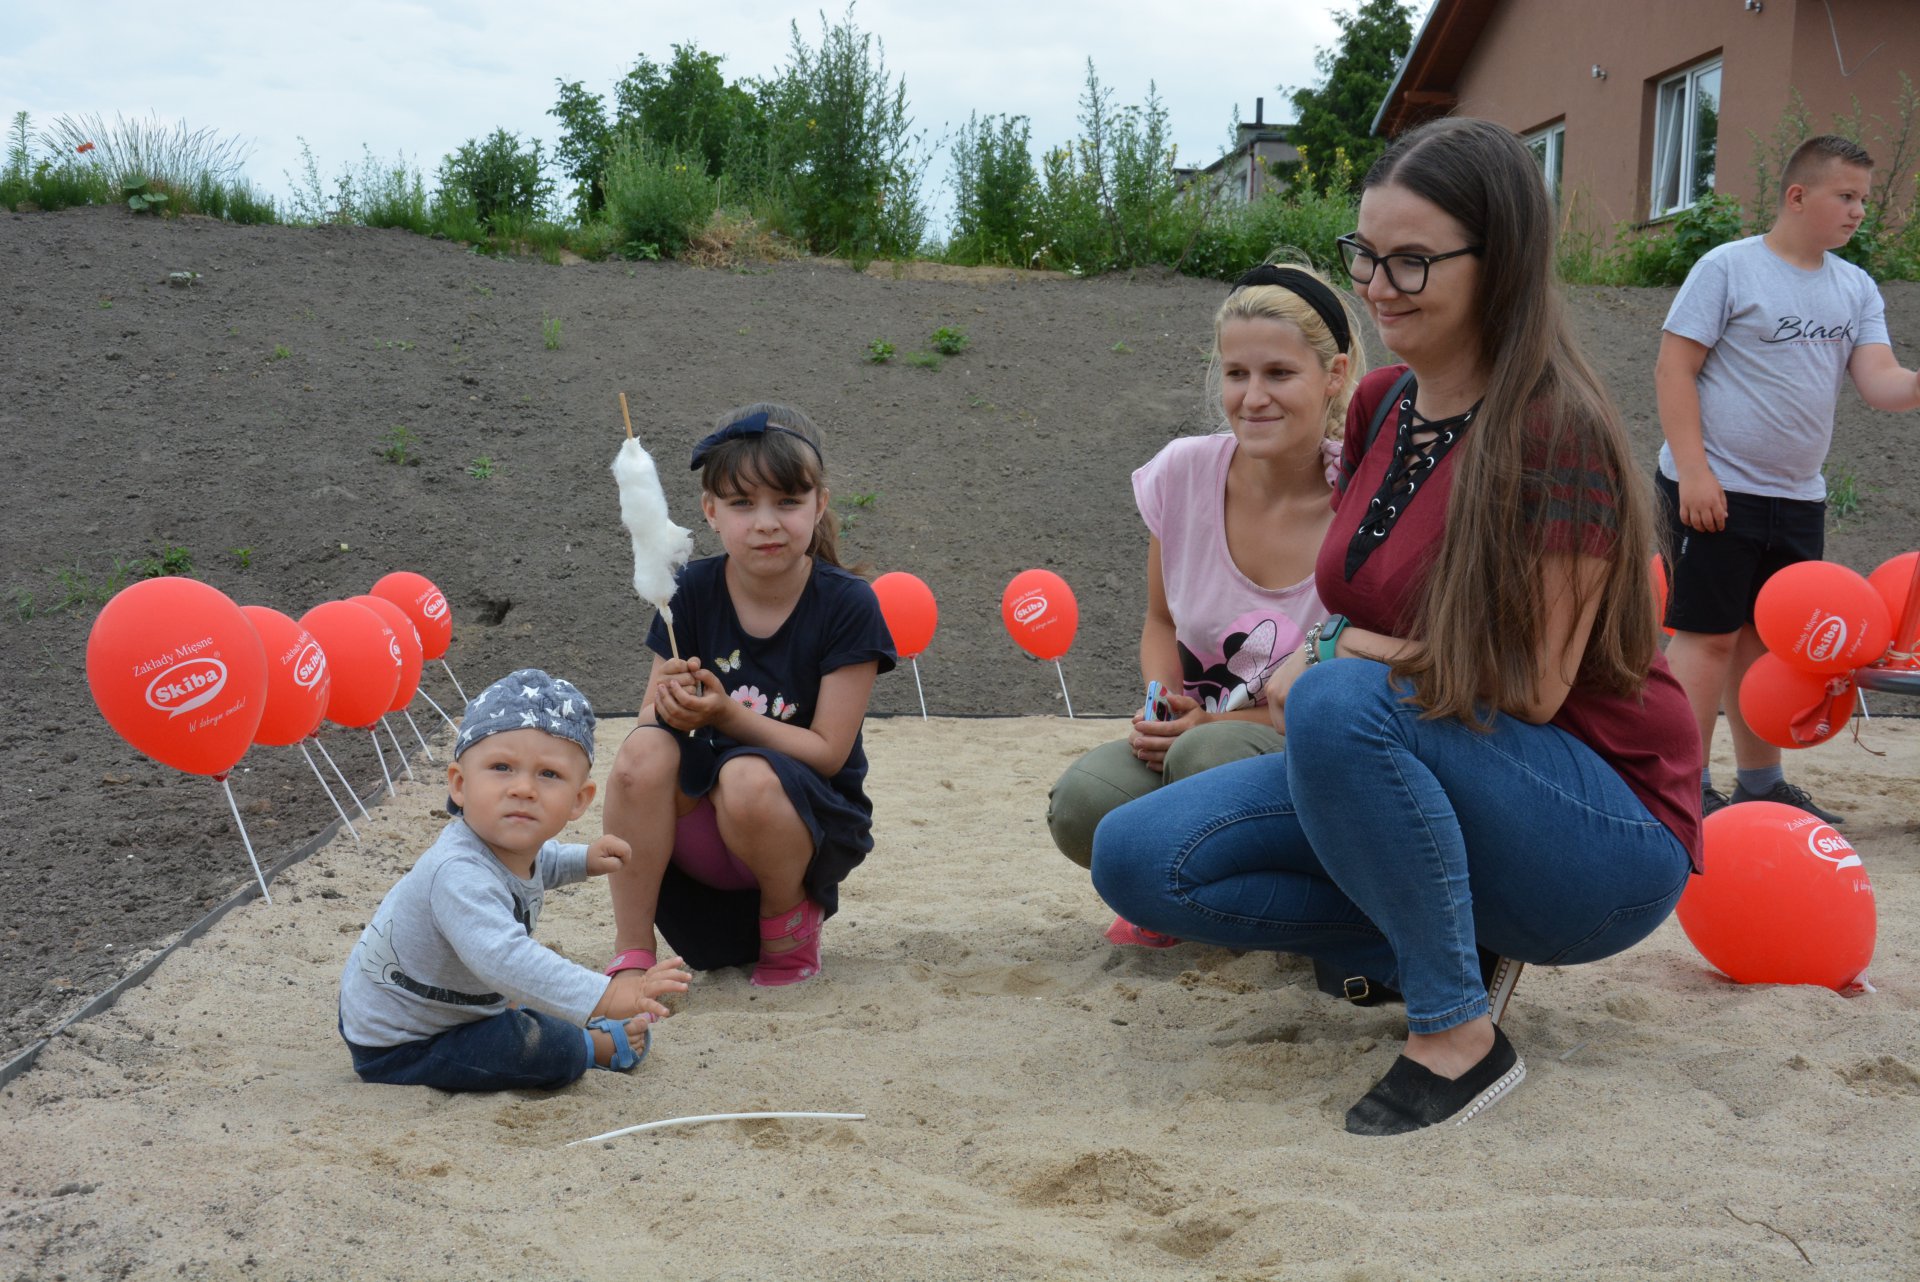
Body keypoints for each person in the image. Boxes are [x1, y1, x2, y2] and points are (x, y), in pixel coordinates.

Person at [1090, 117, 1701, 1135]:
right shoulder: (1380, 404)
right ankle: (1439, 938)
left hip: (1598, 827)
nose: (1378, 285)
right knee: (1136, 857)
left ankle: (1457, 1032)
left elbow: (1534, 686)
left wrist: (1342, 652)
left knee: (1337, 697)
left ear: (1500, 261)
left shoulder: (1558, 432)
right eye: (1365, 254)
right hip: (1436, 768)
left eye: (1411, 260)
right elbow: (1355, 605)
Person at [1046, 262, 1360, 948]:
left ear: (1333, 375)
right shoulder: (1183, 473)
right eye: (1236, 373)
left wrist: (1206, 726)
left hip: (1302, 751)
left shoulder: (1364, 504)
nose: (1252, 397)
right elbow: (1161, 620)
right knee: (1082, 805)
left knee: (1208, 757)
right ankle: (1185, 892)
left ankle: (1300, 910)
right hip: (1195, 735)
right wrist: (1163, 705)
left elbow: (1346, 689)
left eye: (1279, 373)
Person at [1654, 134, 1920, 824]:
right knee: (1708, 636)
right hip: (1713, 487)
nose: (1859, 211)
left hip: (1797, 496)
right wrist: (1695, 474)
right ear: (1798, 196)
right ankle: (1681, 788)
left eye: (1864, 199)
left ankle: (1760, 784)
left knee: (1765, 641)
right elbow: (1674, 368)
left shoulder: (1855, 287)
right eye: (1846, 196)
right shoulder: (1728, 267)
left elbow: (1880, 382)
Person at [599, 403, 896, 989]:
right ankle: (632, 948)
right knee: (640, 753)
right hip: (699, 840)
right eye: (741, 503)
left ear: (819, 505)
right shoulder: (688, 590)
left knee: (747, 777)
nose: (766, 523)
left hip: (800, 826)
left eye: (787, 502)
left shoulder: (848, 605)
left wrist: (728, 715)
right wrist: (673, 708)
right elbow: (648, 716)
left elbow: (828, 752)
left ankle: (789, 922)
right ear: (710, 511)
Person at [339, 669, 692, 1090]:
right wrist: (608, 995)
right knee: (548, 1045)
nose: (523, 788)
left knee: (532, 1008)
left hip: (454, 1007)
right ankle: (590, 1046)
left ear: (579, 800)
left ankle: (571, 1025)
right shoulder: (457, 872)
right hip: (405, 1039)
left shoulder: (508, 848)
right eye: (502, 767)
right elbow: (505, 958)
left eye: (549, 774)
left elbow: (541, 861)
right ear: (459, 784)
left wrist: (583, 859)